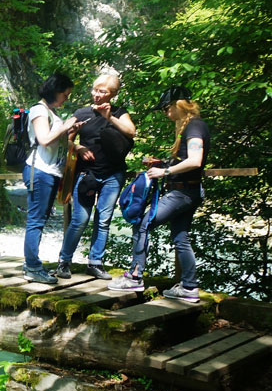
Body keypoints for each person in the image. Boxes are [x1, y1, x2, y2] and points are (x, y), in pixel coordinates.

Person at [108, 86, 209, 302]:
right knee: (181, 238)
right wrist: (163, 164)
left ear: (177, 105)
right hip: (189, 191)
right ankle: (189, 287)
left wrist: (165, 171)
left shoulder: (194, 126)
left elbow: (195, 160)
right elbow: (187, 160)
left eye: (165, 108)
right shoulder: (190, 126)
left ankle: (135, 276)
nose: (165, 113)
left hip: (182, 193)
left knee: (142, 223)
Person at [54, 74, 136, 280]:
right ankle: (64, 261)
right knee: (79, 219)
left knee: (104, 220)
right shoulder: (82, 112)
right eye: (95, 90)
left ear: (113, 94)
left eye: (103, 91)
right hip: (86, 173)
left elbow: (131, 132)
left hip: (113, 175)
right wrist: (78, 147)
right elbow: (64, 139)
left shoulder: (119, 113)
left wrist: (109, 117)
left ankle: (95, 262)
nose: (97, 95)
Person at [23, 73, 82, 284]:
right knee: (36, 221)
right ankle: (32, 267)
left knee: (39, 219)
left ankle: (31, 263)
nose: (66, 98)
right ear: (55, 91)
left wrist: (70, 133)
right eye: (65, 94)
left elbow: (57, 142)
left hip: (48, 171)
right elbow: (44, 139)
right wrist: (65, 126)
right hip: (39, 170)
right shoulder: (39, 110)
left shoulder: (50, 111)